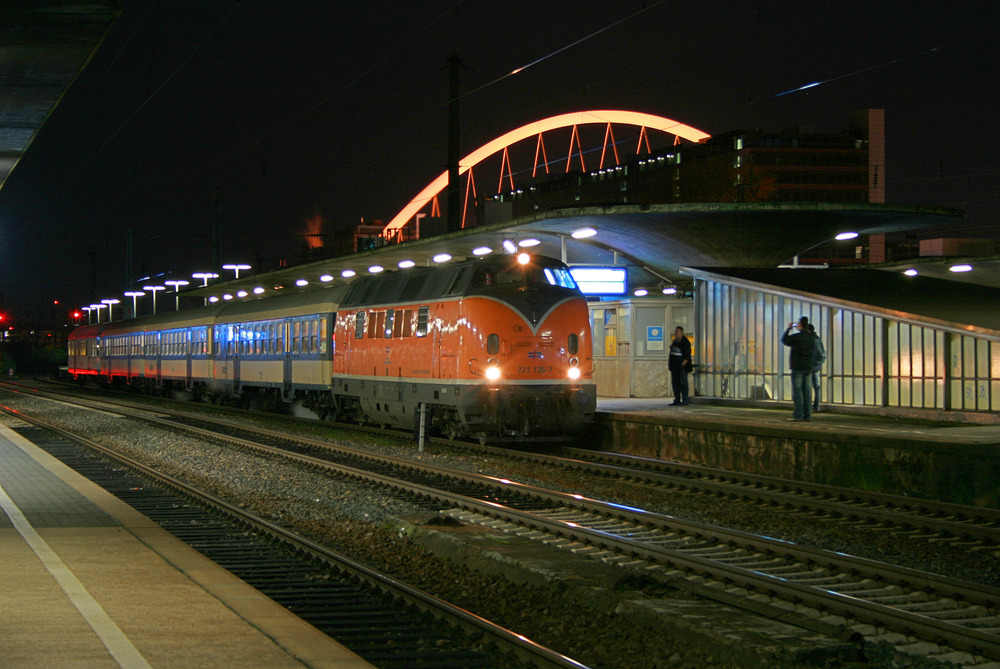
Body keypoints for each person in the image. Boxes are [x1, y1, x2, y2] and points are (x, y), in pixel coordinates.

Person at [781, 316, 816, 421]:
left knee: (797, 392)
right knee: (807, 392)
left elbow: (784, 340)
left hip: (798, 368)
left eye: (798, 324)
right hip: (808, 367)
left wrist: (789, 328)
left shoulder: (796, 337)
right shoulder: (811, 337)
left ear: (800, 325)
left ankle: (798, 415)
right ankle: (807, 415)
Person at [668, 326, 692, 405]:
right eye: (675, 332)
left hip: (682, 367)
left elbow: (687, 355)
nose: (676, 333)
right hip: (674, 367)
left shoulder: (685, 342)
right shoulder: (675, 341)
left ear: (681, 333)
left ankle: (685, 400)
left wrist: (683, 365)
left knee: (683, 383)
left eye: (677, 332)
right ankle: (677, 399)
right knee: (675, 383)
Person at [806, 323, 826, 413]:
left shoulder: (809, 339)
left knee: (807, 386)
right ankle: (816, 406)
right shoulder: (817, 338)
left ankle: (808, 407)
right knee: (817, 386)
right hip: (817, 365)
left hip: (809, 365)